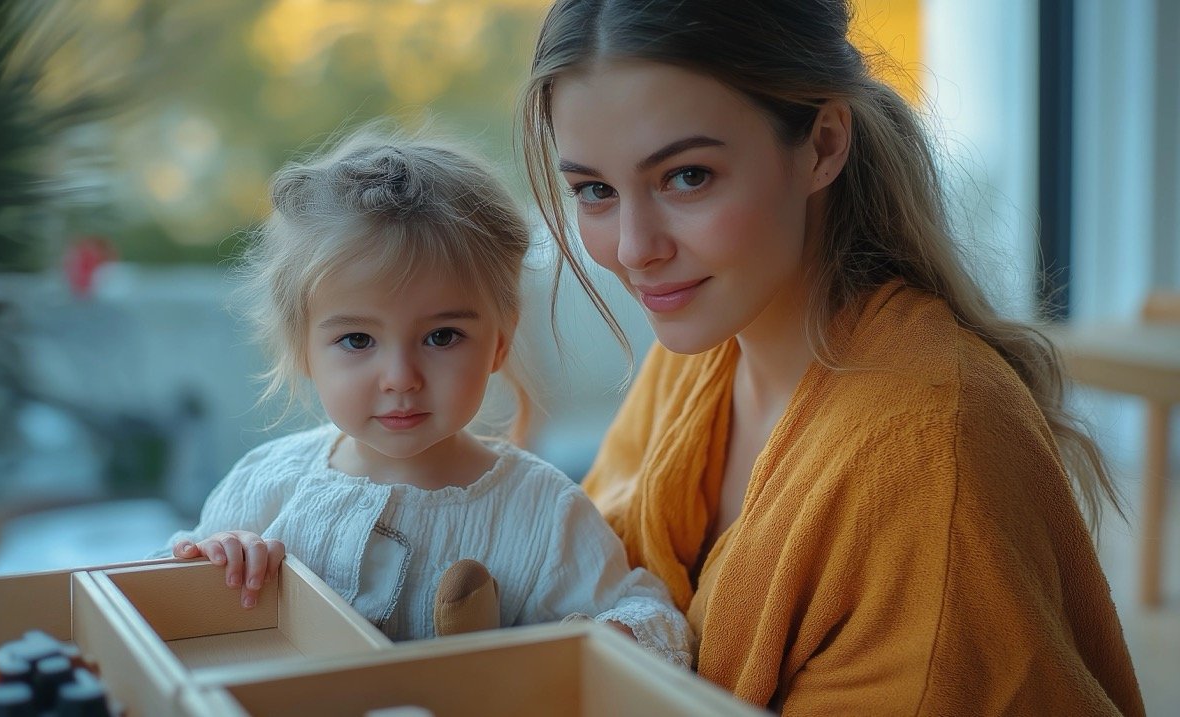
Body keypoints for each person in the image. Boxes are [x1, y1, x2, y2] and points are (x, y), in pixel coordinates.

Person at [519, 1, 1145, 714]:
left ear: (822, 144)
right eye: (594, 190)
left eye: (686, 176)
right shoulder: (701, 351)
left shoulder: (931, 459)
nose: (634, 250)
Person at [155, 127, 692, 666]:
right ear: (303, 351)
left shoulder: (543, 514)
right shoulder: (268, 484)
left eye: (441, 337)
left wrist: (609, 638)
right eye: (357, 340)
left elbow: (651, 616)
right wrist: (214, 559)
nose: (401, 377)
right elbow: (154, 609)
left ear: (498, 344)